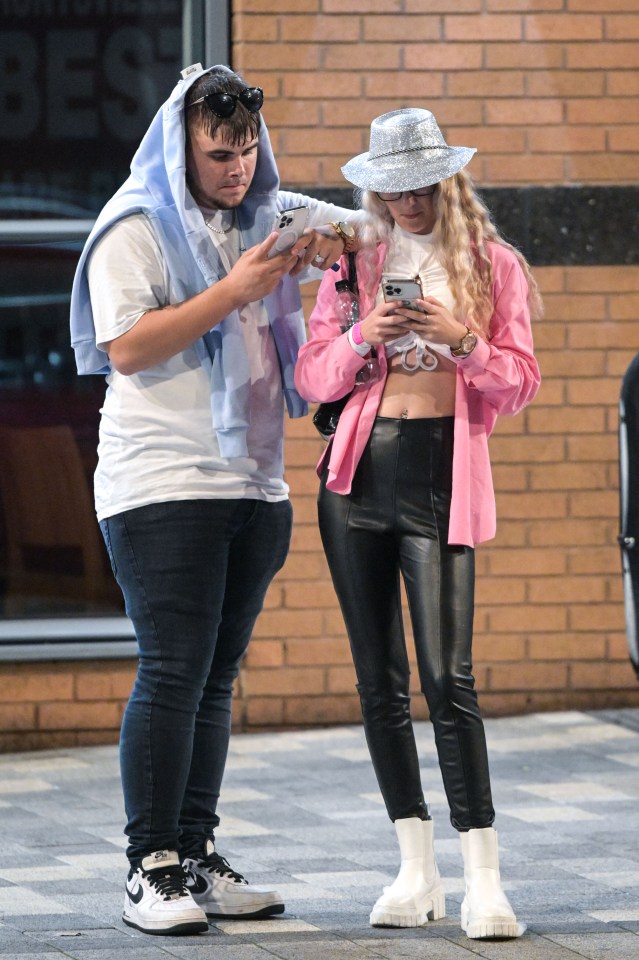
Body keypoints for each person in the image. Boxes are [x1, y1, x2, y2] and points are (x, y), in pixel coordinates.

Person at [69, 62, 361, 937]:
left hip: (252, 481)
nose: (235, 167)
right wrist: (234, 290)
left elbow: (362, 227)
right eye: (217, 153)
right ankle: (148, 867)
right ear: (180, 145)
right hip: (161, 482)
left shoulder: (266, 216)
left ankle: (193, 852)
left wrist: (341, 240)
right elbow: (124, 347)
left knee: (214, 680)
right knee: (172, 671)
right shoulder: (137, 224)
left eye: (245, 150)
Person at [294, 108, 542, 940]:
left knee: (448, 679)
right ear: (373, 185)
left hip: (441, 475)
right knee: (378, 682)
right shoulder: (352, 267)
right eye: (389, 186)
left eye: (418, 184)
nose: (404, 201)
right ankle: (415, 866)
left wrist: (461, 341)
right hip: (355, 479)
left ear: (445, 178)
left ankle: (483, 876)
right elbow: (313, 378)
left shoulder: (488, 263)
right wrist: (367, 333)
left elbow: (518, 384)